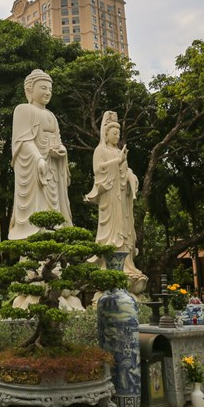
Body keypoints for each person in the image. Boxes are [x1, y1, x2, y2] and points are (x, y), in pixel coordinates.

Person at [85, 111, 148, 294]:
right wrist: (116, 161)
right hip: (109, 199)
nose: (117, 136)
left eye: (119, 134)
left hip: (122, 198)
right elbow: (98, 170)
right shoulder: (101, 150)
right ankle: (110, 269)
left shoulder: (119, 152)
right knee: (112, 234)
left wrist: (131, 176)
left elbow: (125, 170)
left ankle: (127, 266)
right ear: (106, 134)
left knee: (126, 232)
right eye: (114, 133)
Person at [8, 69, 72, 239]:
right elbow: (23, 141)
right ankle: (35, 252)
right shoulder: (23, 110)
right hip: (35, 170)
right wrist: (38, 159)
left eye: (50, 89)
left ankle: (54, 251)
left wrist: (61, 151)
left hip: (52, 171)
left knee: (54, 211)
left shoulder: (51, 115)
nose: (47, 92)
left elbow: (57, 141)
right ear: (30, 90)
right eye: (43, 88)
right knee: (37, 210)